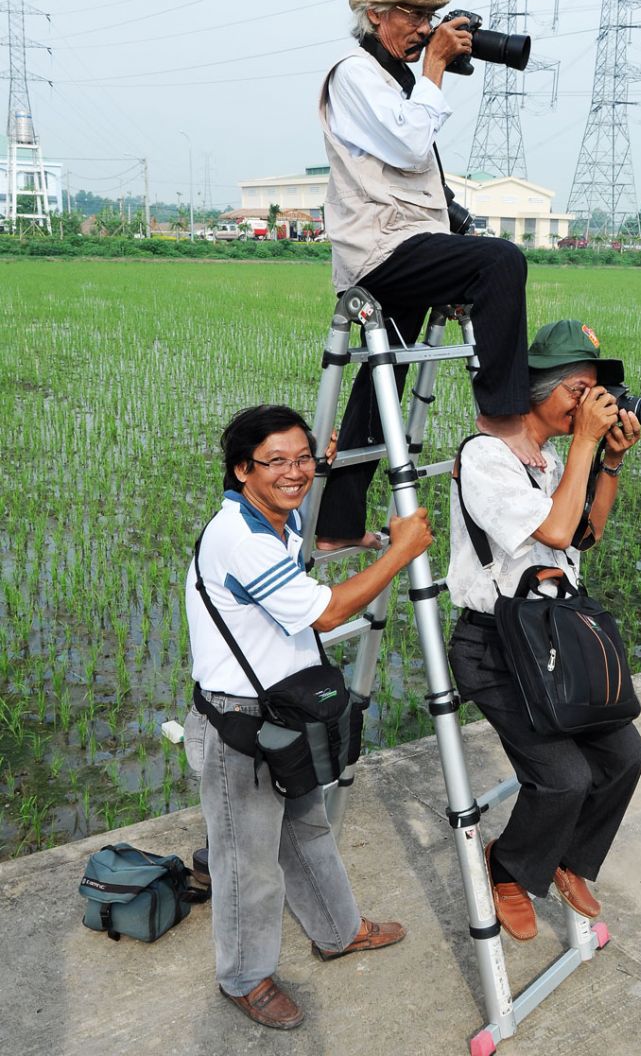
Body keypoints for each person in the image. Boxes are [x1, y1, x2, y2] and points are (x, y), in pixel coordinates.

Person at [183, 404, 432, 1030]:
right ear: (242, 470)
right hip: (238, 725)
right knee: (247, 862)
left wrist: (360, 524)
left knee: (307, 830)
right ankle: (244, 978)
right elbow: (323, 613)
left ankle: (338, 931)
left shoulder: (278, 516)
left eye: (303, 459)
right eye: (276, 462)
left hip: (283, 712)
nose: (294, 473)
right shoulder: (238, 537)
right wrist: (399, 552)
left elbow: (313, 539)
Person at [315, 0, 538, 551]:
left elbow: (418, 178)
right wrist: (437, 64)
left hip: (404, 243)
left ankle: (334, 524)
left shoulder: (396, 83)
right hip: (381, 249)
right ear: (376, 15)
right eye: (413, 15)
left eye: (430, 16)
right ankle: (500, 418)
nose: (423, 27)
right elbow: (412, 146)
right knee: (502, 261)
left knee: (378, 386)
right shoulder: (352, 75)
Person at [446, 320, 641, 940]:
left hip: (553, 636)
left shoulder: (550, 459)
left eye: (593, 394)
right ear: (537, 389)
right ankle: (507, 867)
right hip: (496, 646)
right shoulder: (484, 458)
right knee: (564, 777)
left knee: (625, 756)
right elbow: (555, 532)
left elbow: (584, 532)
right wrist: (588, 443)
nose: (587, 405)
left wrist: (608, 457)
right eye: (579, 391)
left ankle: (569, 859)